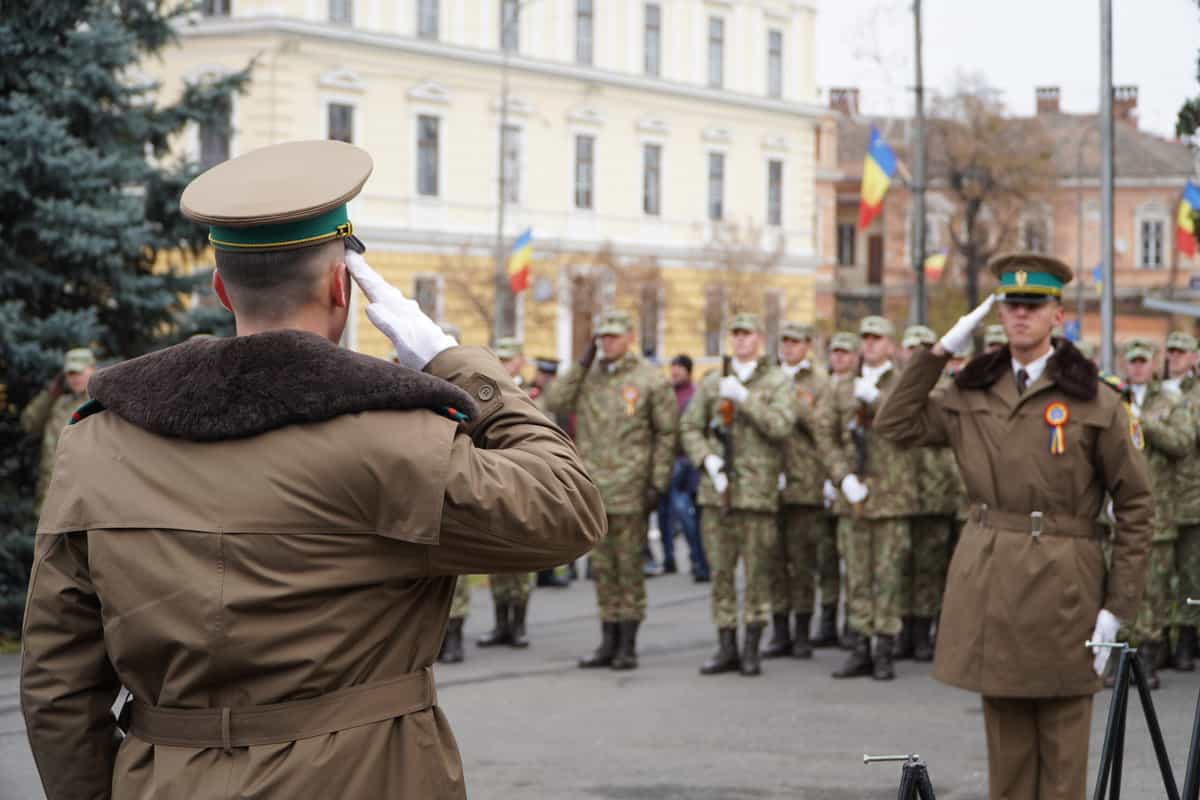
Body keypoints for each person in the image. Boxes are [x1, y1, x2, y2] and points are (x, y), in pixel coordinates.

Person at [19, 139, 605, 800]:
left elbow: (58, 684)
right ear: (340, 286)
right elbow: (568, 507)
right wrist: (450, 360)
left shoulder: (97, 439)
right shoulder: (393, 438)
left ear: (220, 288)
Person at [875, 253, 1152, 800]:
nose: (1020, 315)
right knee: (1008, 768)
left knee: (1064, 768)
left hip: (1066, 586)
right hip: (994, 580)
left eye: (1033, 305)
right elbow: (895, 423)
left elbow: (1137, 506)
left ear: (1057, 315)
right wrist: (940, 352)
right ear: (998, 313)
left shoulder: (1094, 399)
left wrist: (1117, 608)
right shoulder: (972, 391)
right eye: (1011, 305)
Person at [547, 310, 677, 671]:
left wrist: (658, 482)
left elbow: (666, 434)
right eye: (602, 337)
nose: (607, 342)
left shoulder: (650, 379)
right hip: (595, 489)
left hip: (632, 487)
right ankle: (607, 640)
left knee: (629, 567)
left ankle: (628, 643)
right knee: (602, 570)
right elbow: (556, 401)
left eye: (614, 336)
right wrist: (582, 361)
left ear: (630, 337)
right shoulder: (588, 377)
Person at [681, 313, 795, 677]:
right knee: (721, 573)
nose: (741, 341)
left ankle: (751, 648)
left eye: (747, 334)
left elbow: (781, 426)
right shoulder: (714, 382)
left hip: (757, 493)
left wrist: (745, 399)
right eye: (736, 335)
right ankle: (726, 645)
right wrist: (707, 459)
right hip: (718, 493)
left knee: (758, 573)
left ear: (760, 338)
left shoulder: (777, 381)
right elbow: (690, 426)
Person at [816, 316, 917, 681]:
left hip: (891, 496)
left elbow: (913, 426)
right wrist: (842, 478)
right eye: (866, 339)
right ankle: (860, 647)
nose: (871, 345)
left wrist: (881, 402)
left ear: (891, 345)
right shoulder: (842, 388)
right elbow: (823, 434)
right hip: (854, 498)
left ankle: (885, 649)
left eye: (878, 339)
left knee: (888, 576)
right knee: (856, 575)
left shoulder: (904, 383)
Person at [1122, 338, 1194, 688]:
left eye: (1142, 361)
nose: (1136, 367)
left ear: (1153, 365)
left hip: (1158, 507)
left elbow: (1182, 443)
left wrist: (1143, 424)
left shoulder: (1169, 401)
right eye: (1131, 361)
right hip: (1118, 511)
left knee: (1154, 586)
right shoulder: (1111, 398)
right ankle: (1122, 656)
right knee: (1120, 582)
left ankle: (1150, 656)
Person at [765, 322, 832, 659]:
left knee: (803, 561)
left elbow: (823, 427)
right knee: (775, 562)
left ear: (808, 345)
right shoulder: (768, 377)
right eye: (785, 342)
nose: (788, 348)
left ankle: (803, 631)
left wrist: (791, 400)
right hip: (769, 480)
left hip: (806, 481)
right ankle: (779, 632)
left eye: (795, 343)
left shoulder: (819, 382)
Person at [897, 325, 959, 662]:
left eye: (923, 349)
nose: (915, 356)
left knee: (929, 567)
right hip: (900, 492)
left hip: (937, 494)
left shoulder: (947, 391)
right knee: (902, 565)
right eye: (911, 349)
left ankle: (923, 632)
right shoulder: (895, 390)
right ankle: (901, 630)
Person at [476, 337, 539, 648]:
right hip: (493, 479)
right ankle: (501, 623)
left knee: (522, 558)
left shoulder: (533, 393)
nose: (503, 363)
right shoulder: (486, 391)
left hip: (524, 483)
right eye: (499, 357)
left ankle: (519, 624)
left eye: (509, 358)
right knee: (496, 557)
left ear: (520, 361)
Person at [20, 348, 96, 514]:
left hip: (87, 505)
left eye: (79, 372)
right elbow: (29, 423)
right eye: (70, 373)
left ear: (92, 369)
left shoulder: (101, 404)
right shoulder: (58, 403)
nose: (74, 377)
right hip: (50, 501)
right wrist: (50, 395)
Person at [823, 331, 861, 649]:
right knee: (825, 560)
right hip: (815, 483)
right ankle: (826, 620)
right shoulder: (824, 386)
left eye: (845, 353)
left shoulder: (858, 389)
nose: (839, 358)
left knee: (852, 559)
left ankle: (853, 621)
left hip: (851, 484)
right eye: (835, 352)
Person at [658, 354, 709, 582]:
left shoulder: (694, 395)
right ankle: (669, 557)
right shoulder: (666, 394)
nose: (675, 372)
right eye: (673, 368)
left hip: (686, 462)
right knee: (664, 514)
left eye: (679, 368)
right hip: (666, 460)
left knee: (686, 512)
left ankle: (698, 558)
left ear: (688, 371)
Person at [1167, 331, 1200, 670]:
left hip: (1192, 497)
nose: (1174, 358)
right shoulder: (1160, 392)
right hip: (1162, 498)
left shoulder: (1195, 394)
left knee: (1191, 573)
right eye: (1171, 352)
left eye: (1181, 353)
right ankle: (1160, 638)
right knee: (1160, 574)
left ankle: (1188, 640)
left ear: (1194, 358)